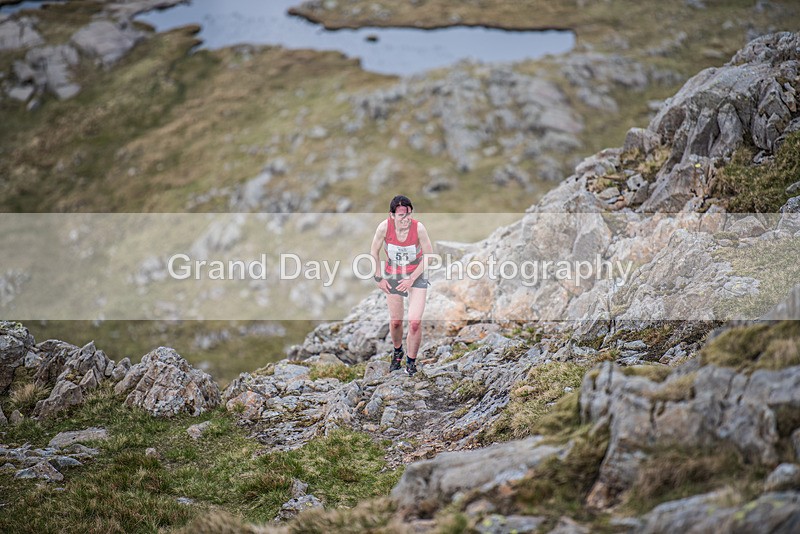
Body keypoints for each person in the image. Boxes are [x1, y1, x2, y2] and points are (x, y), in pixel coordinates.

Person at [369, 195, 433, 376]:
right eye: (401, 216)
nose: (406, 219)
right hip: (393, 275)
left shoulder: (419, 228)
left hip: (416, 275)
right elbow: (374, 251)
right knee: (396, 322)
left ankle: (411, 363)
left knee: (414, 322)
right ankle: (397, 351)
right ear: (392, 215)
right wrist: (378, 277)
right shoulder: (384, 227)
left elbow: (429, 256)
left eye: (409, 214)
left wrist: (412, 278)